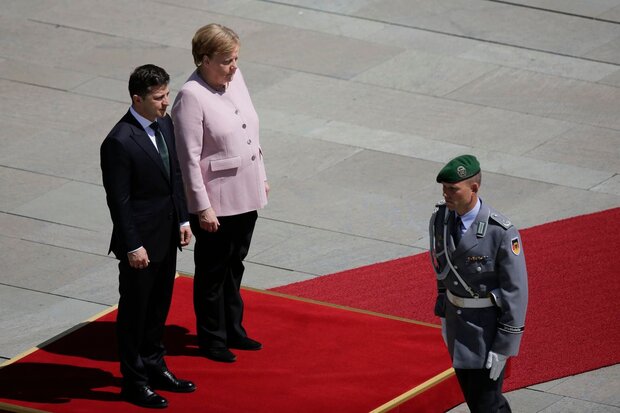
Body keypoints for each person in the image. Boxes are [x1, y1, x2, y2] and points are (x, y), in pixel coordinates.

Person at [172, 24, 269, 363]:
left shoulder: (234, 79)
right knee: (213, 271)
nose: (234, 67)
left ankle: (233, 328)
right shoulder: (190, 97)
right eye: (227, 60)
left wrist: (262, 175)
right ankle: (212, 338)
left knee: (235, 264)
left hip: (247, 191)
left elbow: (251, 131)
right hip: (217, 202)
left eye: (236, 59)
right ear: (204, 59)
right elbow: (188, 158)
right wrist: (201, 208)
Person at [101, 64, 196, 408]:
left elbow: (175, 176)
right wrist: (133, 245)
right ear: (137, 99)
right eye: (158, 98)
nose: (166, 103)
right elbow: (119, 201)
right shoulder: (118, 141)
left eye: (167, 95)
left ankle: (156, 366)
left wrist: (183, 220)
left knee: (158, 308)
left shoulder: (165, 124)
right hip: (140, 244)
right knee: (135, 314)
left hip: (167, 235)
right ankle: (134, 380)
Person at [429, 155, 528, 412]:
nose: (447, 194)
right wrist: (443, 312)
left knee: (486, 404)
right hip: (457, 323)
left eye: (453, 189)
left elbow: (515, 291)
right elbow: (442, 267)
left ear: (473, 189)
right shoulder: (441, 218)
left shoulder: (500, 231)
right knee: (482, 402)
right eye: (444, 189)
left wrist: (506, 344)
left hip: (486, 330)